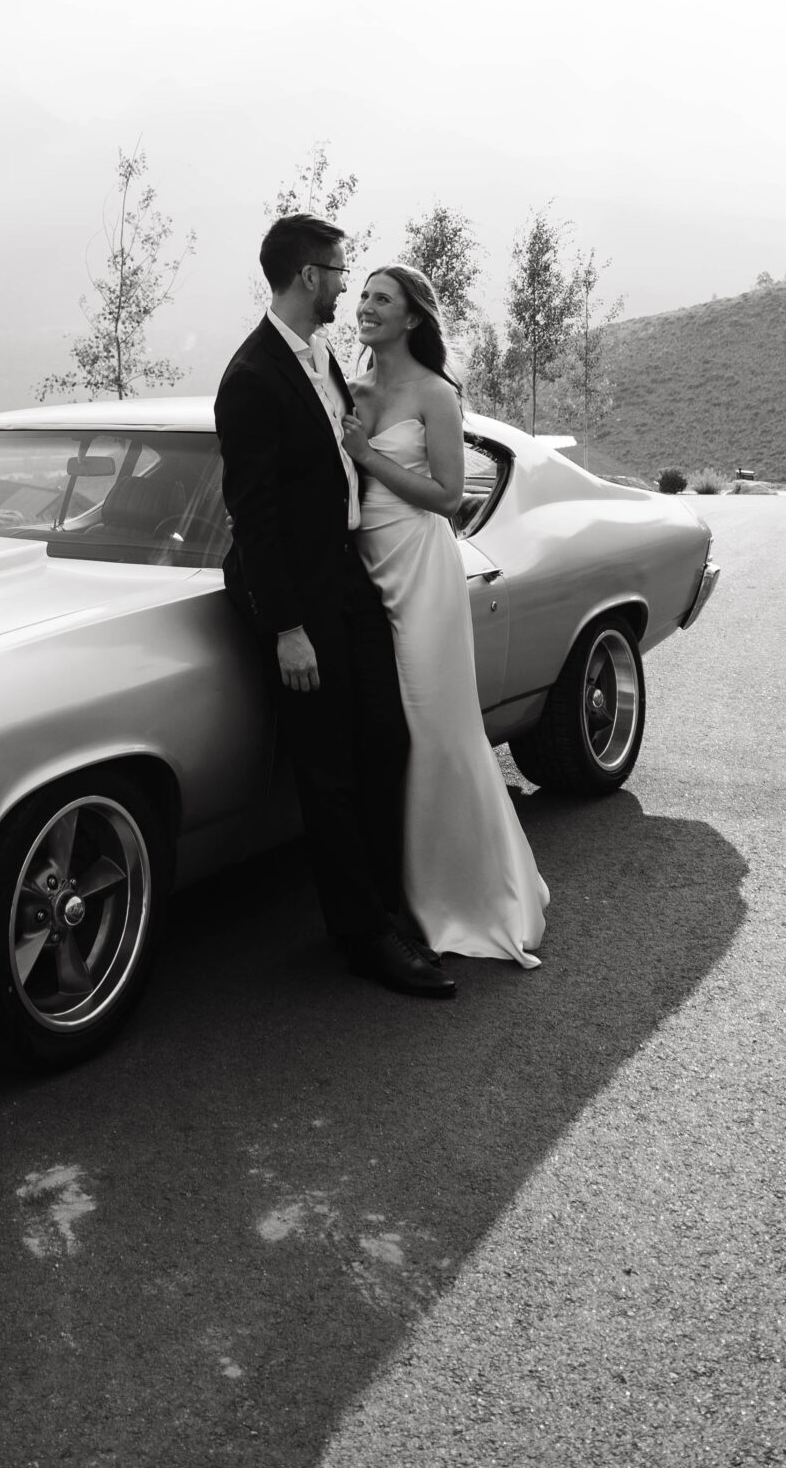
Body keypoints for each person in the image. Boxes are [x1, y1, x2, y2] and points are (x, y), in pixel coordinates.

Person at [215, 214, 456, 999]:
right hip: (300, 601)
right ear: (307, 276)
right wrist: (286, 627)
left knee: (384, 743)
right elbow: (252, 516)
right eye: (339, 271)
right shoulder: (251, 377)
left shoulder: (322, 357)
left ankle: (387, 909)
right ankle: (365, 940)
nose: (347, 286)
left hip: (351, 578)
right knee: (329, 773)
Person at [342, 263, 549, 968]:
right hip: (358, 568)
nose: (364, 307)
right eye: (362, 295)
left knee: (433, 723)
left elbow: (446, 497)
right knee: (380, 731)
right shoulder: (350, 386)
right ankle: (390, 889)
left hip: (418, 564)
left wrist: (364, 454)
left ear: (411, 319)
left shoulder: (433, 394)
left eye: (380, 299)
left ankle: (459, 895)